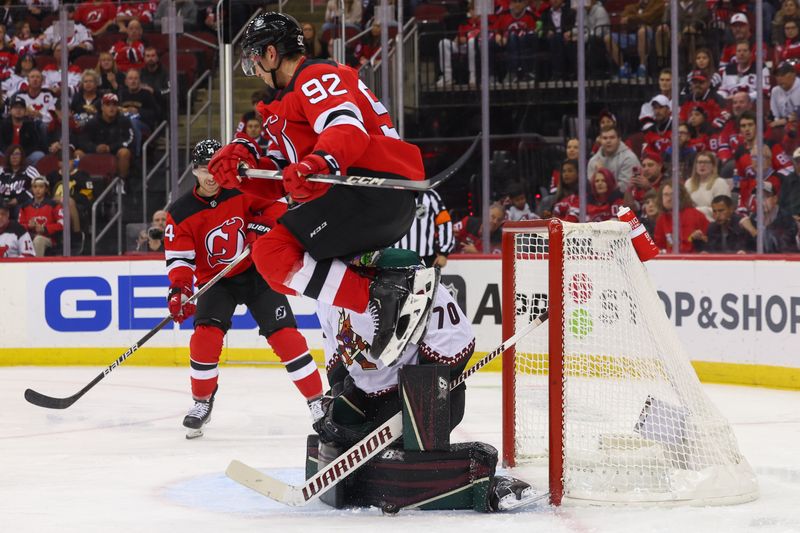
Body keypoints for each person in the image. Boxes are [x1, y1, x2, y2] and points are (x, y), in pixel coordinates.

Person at [208, 12, 434, 362]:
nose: (255, 69)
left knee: (272, 254)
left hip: (374, 190)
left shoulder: (315, 76)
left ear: (271, 53)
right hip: (362, 199)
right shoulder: (290, 100)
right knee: (283, 272)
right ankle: (382, 286)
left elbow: (346, 130)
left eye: (255, 59)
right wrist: (241, 175)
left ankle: (382, 293)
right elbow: (287, 177)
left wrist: (320, 162)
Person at [312, 249, 539, 512]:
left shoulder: (406, 279)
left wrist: (419, 400)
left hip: (411, 394)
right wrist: (340, 394)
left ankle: (469, 478)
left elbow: (457, 340)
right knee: (339, 420)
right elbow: (335, 354)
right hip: (367, 396)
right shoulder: (326, 290)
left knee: (406, 442)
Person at [165, 139, 325, 438]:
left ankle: (318, 401)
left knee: (286, 337)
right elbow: (180, 258)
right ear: (194, 171)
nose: (211, 177)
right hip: (217, 281)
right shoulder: (181, 212)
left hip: (256, 272)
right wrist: (180, 290)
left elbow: (277, 205)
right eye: (203, 170)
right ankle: (202, 402)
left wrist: (259, 228)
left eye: (214, 168)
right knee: (204, 338)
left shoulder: (241, 187)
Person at [76, 93, 134, 179]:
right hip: (95, 152)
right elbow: (83, 141)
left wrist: (110, 147)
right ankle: (82, 183)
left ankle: (121, 182)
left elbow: (130, 139)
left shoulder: (124, 121)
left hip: (115, 151)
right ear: (102, 107)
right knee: (78, 153)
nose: (111, 108)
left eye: (114, 105)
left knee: (124, 152)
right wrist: (95, 148)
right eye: (108, 105)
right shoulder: (92, 122)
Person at [392, 190, 454, 268]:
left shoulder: (429, 195)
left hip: (424, 259)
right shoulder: (391, 192)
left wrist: (444, 253)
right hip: (394, 258)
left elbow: (445, 223)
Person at [738, 180, 798, 253]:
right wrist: (745, 252)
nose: (762, 201)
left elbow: (775, 248)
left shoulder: (786, 219)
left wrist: (752, 230)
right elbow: (749, 246)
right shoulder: (753, 218)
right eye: (758, 197)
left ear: (775, 199)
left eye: (766, 197)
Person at [653, 182, 709, 253]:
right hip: (672, 261)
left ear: (681, 196)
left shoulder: (692, 215)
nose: (669, 198)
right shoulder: (662, 219)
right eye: (666, 195)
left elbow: (686, 247)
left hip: (693, 260)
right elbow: (659, 246)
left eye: (672, 194)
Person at [18, 175, 63, 257]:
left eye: (41, 187)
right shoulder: (25, 206)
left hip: (49, 238)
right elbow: (19, 226)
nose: (37, 189)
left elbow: (62, 225)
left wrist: (45, 229)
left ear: (46, 189)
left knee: (38, 239)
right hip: (29, 237)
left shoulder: (54, 205)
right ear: (32, 189)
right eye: (35, 187)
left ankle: (36, 268)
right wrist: (28, 226)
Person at [587, 124, 641, 192]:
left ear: (619, 139)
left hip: (625, 200)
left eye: (612, 137)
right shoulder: (593, 161)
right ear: (600, 140)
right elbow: (591, 188)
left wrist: (603, 172)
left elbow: (625, 188)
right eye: (605, 138)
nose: (608, 141)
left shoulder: (629, 158)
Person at [684, 151, 731, 221]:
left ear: (713, 166)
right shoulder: (688, 183)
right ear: (695, 166)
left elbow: (722, 210)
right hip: (691, 220)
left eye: (706, 162)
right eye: (699, 162)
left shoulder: (720, 183)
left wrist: (697, 211)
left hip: (713, 221)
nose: (702, 165)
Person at [0, 97, 45, 165]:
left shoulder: (30, 125)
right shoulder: (3, 124)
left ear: (25, 111)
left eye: (21, 108)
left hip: (24, 156)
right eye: (15, 107)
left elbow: (34, 145)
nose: (18, 110)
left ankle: (27, 173)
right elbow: (1, 143)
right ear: (10, 110)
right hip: (7, 155)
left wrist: (21, 154)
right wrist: (10, 154)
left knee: (39, 155)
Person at [0, 145, 39, 220]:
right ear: (8, 157)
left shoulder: (29, 170)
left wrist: (18, 200)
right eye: (12, 154)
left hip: (22, 202)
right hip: (2, 202)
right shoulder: (2, 171)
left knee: (20, 207)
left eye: (17, 154)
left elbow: (40, 186)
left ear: (22, 156)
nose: (14, 157)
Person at [769, 61, 800, 129]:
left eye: (783, 75)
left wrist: (784, 121)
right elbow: (774, 115)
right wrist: (777, 121)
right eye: (777, 75)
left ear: (793, 74)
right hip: (781, 128)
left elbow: (797, 116)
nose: (779, 78)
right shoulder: (775, 91)